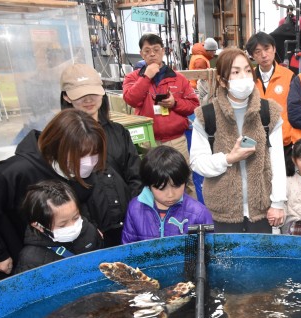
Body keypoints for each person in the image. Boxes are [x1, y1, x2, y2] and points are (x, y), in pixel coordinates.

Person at [0, 109, 106, 281]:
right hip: (18, 257)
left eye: (94, 154)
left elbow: (83, 200)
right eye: (80, 155)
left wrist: (90, 226)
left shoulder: (84, 170)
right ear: (57, 147)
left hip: (60, 255)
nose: (89, 162)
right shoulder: (15, 172)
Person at [189, 47, 286, 233]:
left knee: (259, 260)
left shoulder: (268, 112)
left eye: (248, 70)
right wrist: (228, 159)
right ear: (222, 81)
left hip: (262, 210)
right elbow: (197, 162)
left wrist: (278, 202)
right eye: (235, 72)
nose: (244, 76)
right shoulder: (206, 116)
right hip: (223, 213)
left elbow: (278, 161)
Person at [60, 63, 142, 246]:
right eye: (80, 95)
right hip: (91, 232)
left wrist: (134, 210)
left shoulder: (118, 132)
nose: (89, 99)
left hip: (128, 224)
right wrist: (85, 224)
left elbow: (135, 174)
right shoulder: (62, 139)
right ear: (66, 97)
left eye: (93, 92)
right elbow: (64, 188)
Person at [122, 33, 200, 199]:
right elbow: (131, 99)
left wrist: (175, 103)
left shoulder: (178, 78)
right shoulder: (132, 78)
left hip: (176, 140)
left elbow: (194, 105)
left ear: (163, 51)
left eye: (156, 50)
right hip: (149, 142)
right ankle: (157, 217)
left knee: (184, 180)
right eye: (147, 50)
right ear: (141, 54)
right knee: (152, 181)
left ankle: (193, 218)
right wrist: (146, 77)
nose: (152, 54)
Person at [122, 145, 213, 244]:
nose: (170, 194)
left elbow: (208, 249)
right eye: (161, 188)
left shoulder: (199, 213)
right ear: (148, 185)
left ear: (185, 182)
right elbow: (128, 250)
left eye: (176, 186)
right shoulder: (135, 209)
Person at [13, 180, 104, 274]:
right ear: (38, 225)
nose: (73, 226)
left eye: (76, 218)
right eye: (62, 225)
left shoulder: (89, 230)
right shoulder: (31, 260)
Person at [245, 32, 296, 165]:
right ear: (252, 55)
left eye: (267, 49)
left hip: (284, 141)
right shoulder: (248, 79)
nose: (263, 55)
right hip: (256, 142)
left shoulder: (290, 77)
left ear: (274, 48)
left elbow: (295, 110)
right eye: (257, 51)